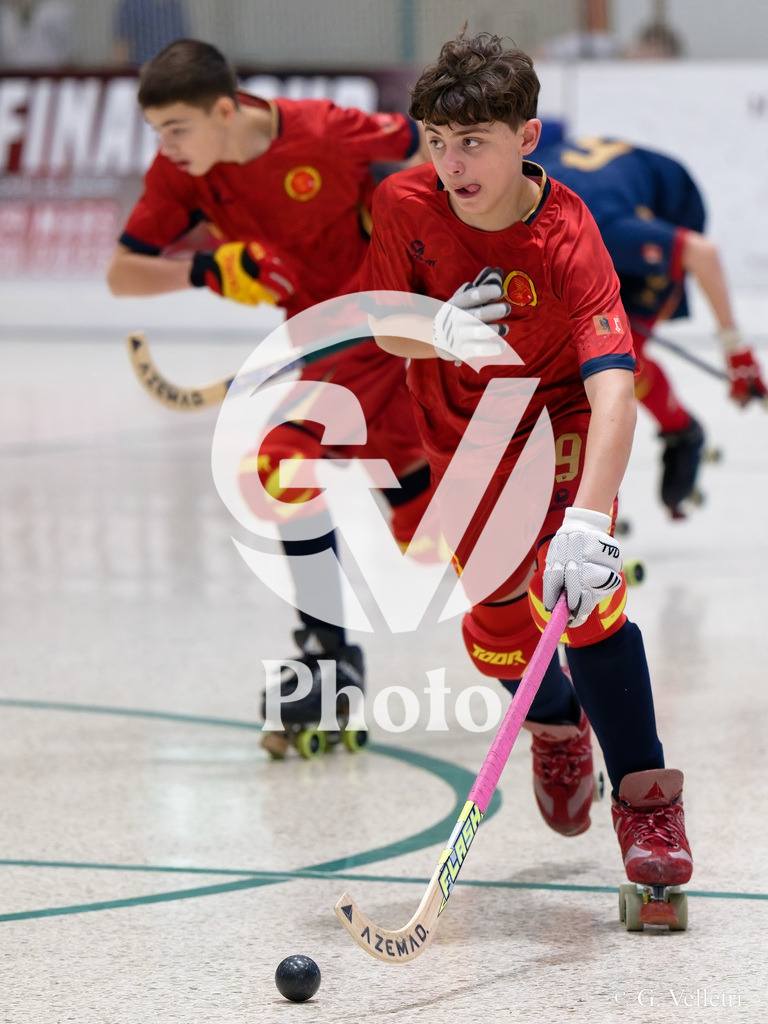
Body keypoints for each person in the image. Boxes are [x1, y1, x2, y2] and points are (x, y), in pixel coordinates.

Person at [361, 32, 693, 896]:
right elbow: (380, 324)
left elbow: (616, 388)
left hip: (563, 415)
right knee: (502, 633)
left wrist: (589, 522)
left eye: (473, 142)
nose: (452, 163)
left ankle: (647, 803)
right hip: (467, 435)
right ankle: (553, 725)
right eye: (437, 141)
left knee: (582, 599)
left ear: (527, 139)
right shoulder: (405, 204)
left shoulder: (570, 235)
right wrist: (440, 327)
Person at [106, 39, 434, 742]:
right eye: (156, 133)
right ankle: (545, 578)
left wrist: (404, 222)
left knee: (278, 461)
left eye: (176, 129)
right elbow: (123, 274)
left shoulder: (321, 129)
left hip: (376, 314)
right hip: (316, 341)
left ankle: (329, 656)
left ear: (225, 109)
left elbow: (426, 148)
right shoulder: (181, 174)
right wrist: (209, 269)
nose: (165, 147)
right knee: (427, 521)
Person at [533, 123, 767, 516]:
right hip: (613, 190)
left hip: (665, 203)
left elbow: (702, 255)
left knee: (620, 358)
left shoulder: (606, 230)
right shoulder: (516, 204)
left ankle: (681, 432)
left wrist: (736, 352)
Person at [0, 0, 75, 69]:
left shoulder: (57, 12)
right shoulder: (6, 14)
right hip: (12, 78)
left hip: (49, 76)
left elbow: (68, 57)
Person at [112, 0, 188, 67]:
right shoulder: (133, 4)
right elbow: (122, 46)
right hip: (142, 75)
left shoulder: (175, 6)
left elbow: (183, 45)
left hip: (171, 76)